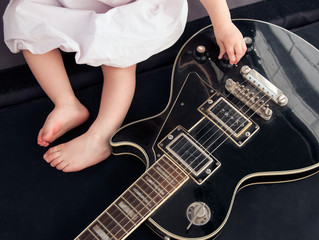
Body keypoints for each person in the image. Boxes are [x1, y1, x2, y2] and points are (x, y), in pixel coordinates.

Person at [3, 0, 247, 172]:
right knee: (22, 14)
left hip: (133, 8)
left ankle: (102, 134)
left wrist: (222, 23)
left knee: (119, 54)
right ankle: (66, 103)